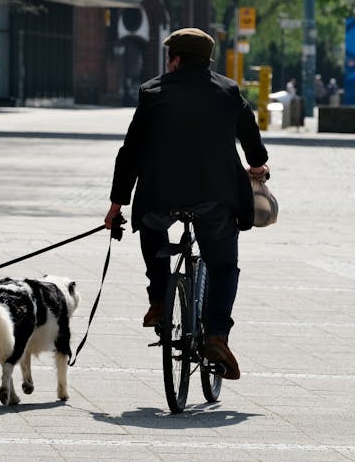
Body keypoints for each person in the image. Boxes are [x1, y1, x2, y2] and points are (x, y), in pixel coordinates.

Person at [104, 27, 270, 380]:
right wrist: (257, 165)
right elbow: (250, 135)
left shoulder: (152, 93)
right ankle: (216, 336)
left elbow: (130, 152)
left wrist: (118, 203)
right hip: (216, 198)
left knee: (151, 228)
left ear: (175, 60)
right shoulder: (228, 91)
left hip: (159, 198)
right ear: (207, 61)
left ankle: (160, 300)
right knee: (224, 265)